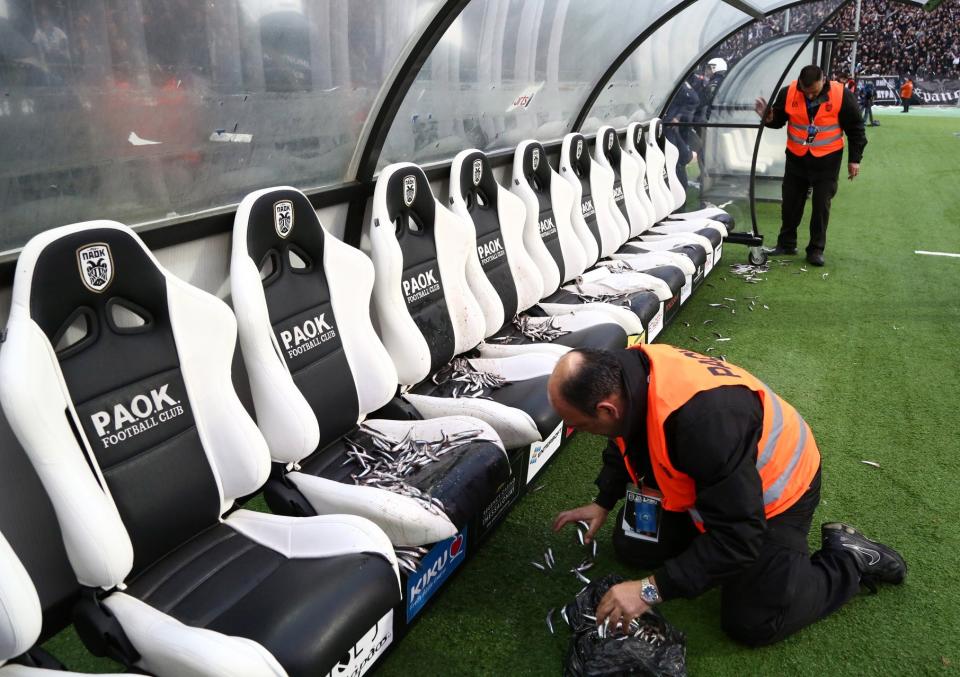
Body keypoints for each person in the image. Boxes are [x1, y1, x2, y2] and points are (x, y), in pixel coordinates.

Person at [549, 345, 906, 647]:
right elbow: (623, 439)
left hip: (777, 497)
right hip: (716, 482)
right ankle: (702, 541)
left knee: (752, 623)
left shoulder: (703, 422)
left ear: (606, 409)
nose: (577, 432)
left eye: (578, 425)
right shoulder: (625, 376)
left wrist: (649, 591)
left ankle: (850, 559)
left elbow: (740, 535)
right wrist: (603, 500)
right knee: (635, 547)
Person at [753, 65, 867, 267]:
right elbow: (778, 119)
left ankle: (815, 249)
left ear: (824, 80)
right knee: (790, 203)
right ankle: (786, 243)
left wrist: (854, 160)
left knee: (821, 206)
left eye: (814, 91)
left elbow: (856, 129)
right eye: (807, 93)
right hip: (797, 158)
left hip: (828, 160)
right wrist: (769, 118)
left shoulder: (842, 94)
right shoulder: (789, 92)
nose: (811, 96)